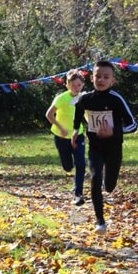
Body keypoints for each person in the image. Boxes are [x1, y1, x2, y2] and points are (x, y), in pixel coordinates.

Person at [72, 59, 137, 234]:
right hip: (95, 148)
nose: (101, 80)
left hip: (114, 148)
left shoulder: (116, 99)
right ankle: (100, 221)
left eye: (105, 77)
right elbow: (78, 113)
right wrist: (75, 131)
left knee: (109, 185)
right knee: (94, 179)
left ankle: (107, 186)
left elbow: (133, 124)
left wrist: (114, 132)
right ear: (91, 78)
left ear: (112, 81)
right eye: (97, 76)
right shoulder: (85, 99)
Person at [45, 69, 87, 206]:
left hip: (78, 135)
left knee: (81, 163)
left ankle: (78, 193)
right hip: (61, 136)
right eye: (73, 85)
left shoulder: (83, 98)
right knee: (68, 166)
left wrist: (92, 126)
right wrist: (60, 128)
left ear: (83, 86)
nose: (76, 88)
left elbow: (86, 114)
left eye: (79, 85)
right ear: (67, 85)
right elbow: (49, 115)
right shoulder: (61, 98)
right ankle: (67, 166)